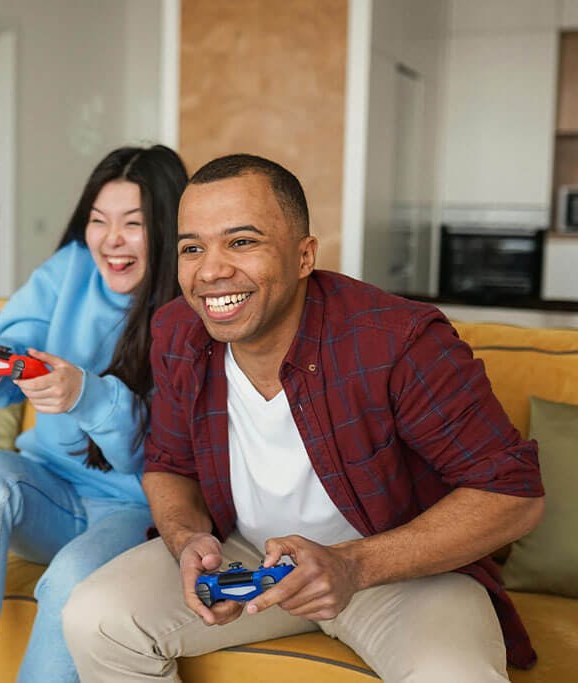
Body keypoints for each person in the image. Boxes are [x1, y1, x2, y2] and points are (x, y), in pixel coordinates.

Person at [62, 153, 546, 683]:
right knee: (95, 617)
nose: (211, 270)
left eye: (242, 241)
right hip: (245, 559)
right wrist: (187, 541)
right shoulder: (179, 330)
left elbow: (512, 495)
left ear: (303, 255)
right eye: (192, 248)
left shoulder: (399, 341)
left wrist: (352, 565)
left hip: (397, 568)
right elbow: (169, 464)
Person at [0, 144, 188, 683]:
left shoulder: (189, 309)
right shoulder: (69, 268)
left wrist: (85, 396)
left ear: (166, 227)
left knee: (72, 576)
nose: (110, 239)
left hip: (135, 511)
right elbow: (17, 347)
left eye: (132, 224)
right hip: (49, 492)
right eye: (98, 221)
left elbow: (157, 455)